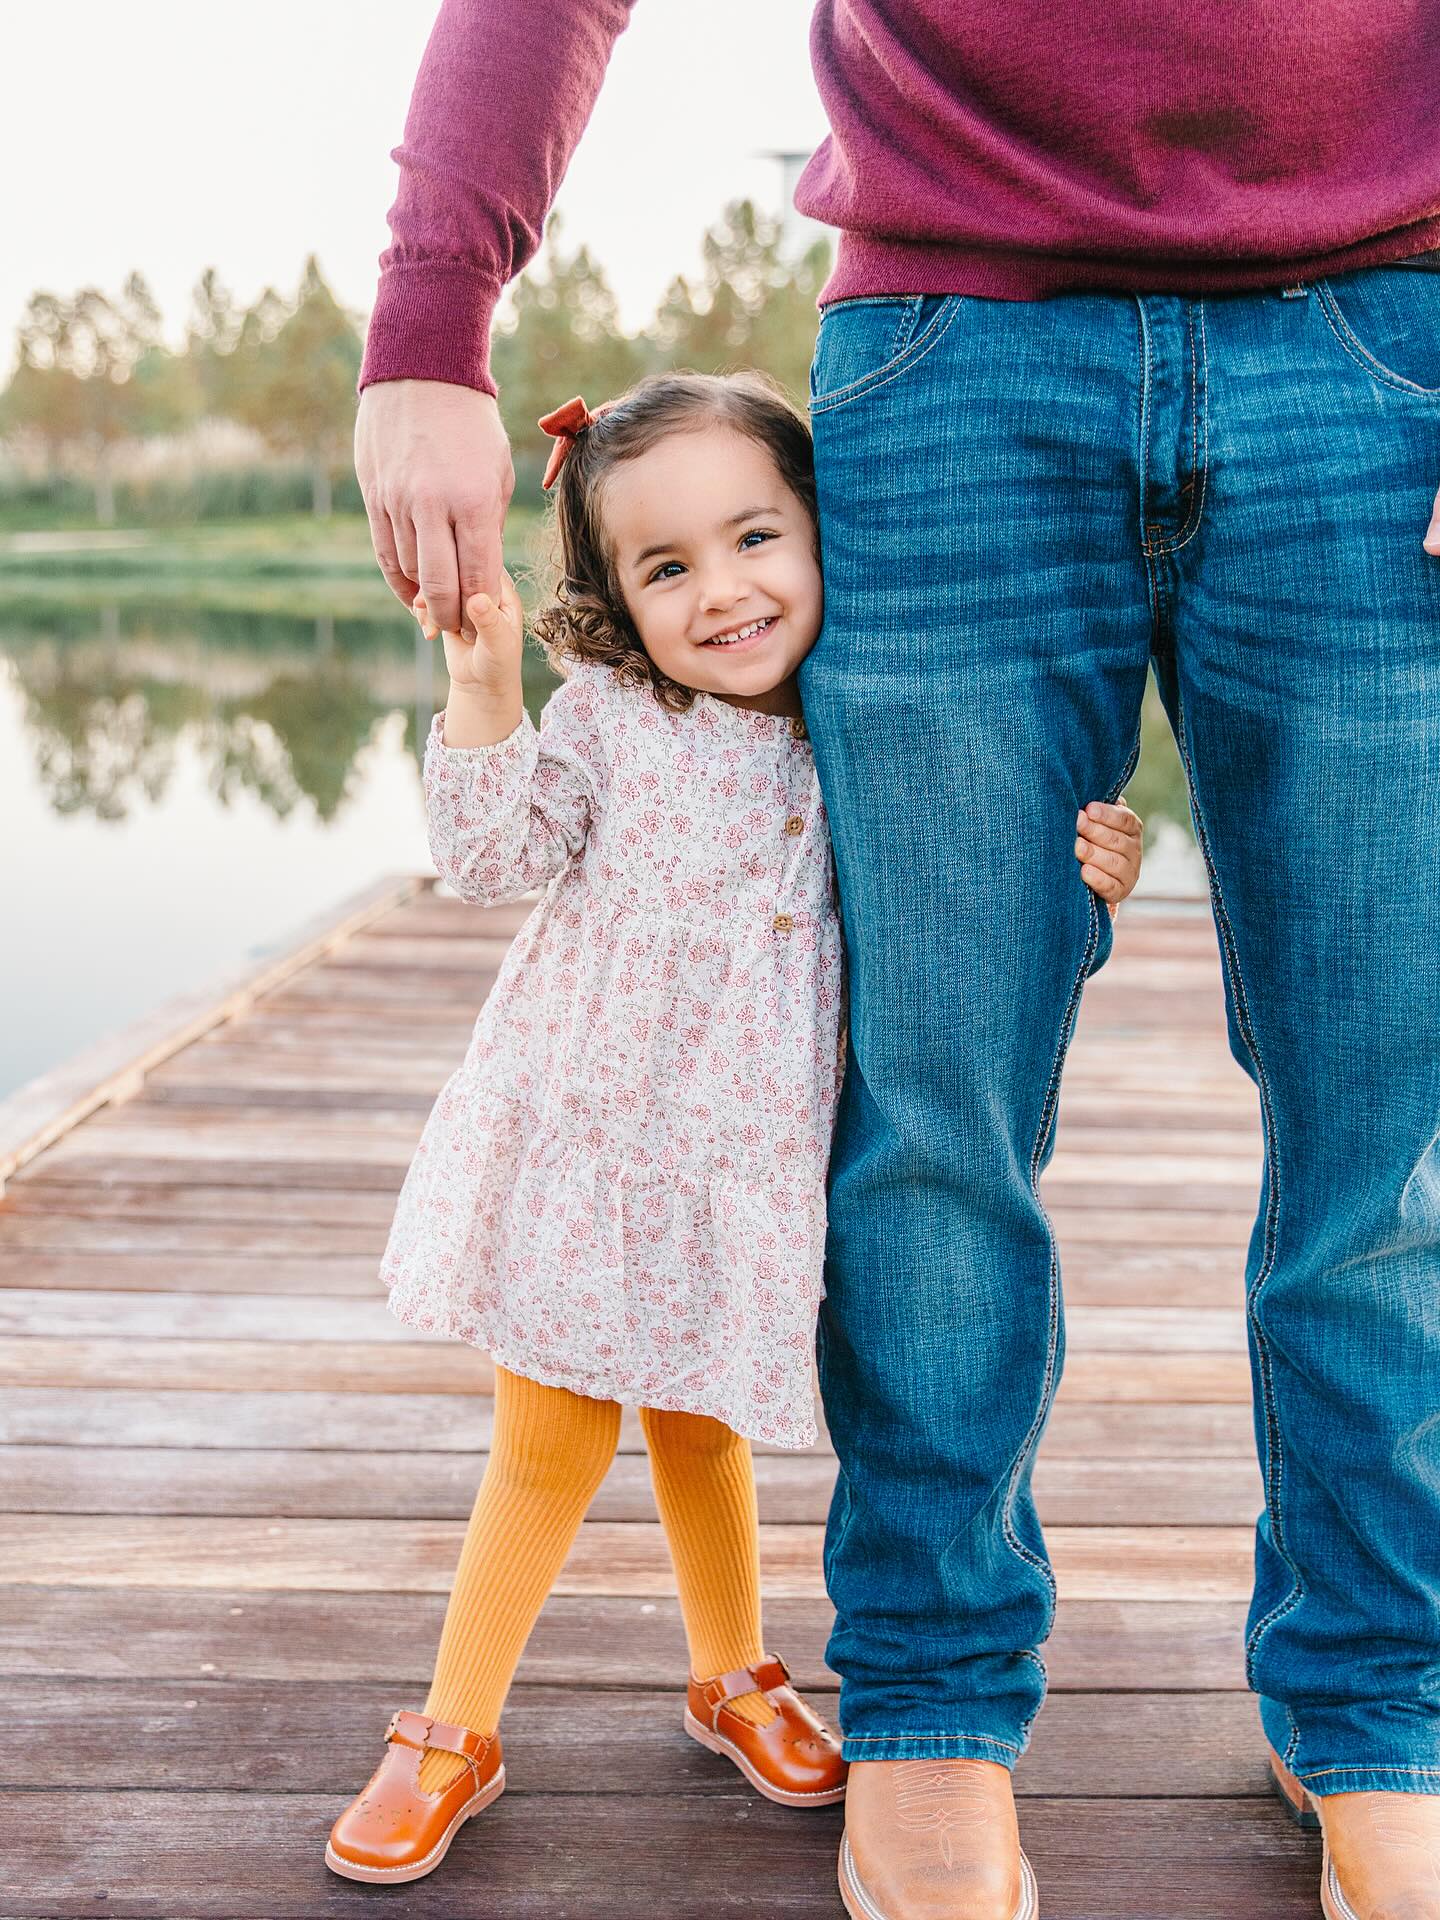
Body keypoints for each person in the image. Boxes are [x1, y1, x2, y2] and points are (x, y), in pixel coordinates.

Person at [355, 9, 1440, 1917]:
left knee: (1392, 1117)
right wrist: (436, 307)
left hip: (1386, 334)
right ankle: (935, 1704)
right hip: (956, 345)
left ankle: (1379, 1704)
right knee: (928, 1103)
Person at [325, 369, 1143, 1888]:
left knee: (702, 1419)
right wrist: (484, 684)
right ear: (617, 600)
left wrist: (1077, 894)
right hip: (588, 1143)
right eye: (667, 567)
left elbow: (962, 948)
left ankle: (733, 1672)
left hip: (743, 1168)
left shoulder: (868, 744)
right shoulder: (617, 721)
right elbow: (496, 855)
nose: (724, 593)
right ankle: (454, 1725)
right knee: (554, 1431)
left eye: (756, 538)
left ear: (823, 532)